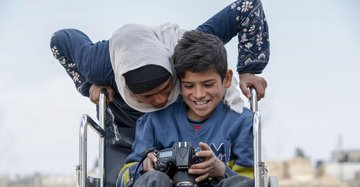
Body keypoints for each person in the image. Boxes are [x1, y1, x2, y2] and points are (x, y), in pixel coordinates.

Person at [50, 0, 269, 146]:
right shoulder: (97, 65)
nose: (160, 100)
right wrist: (89, 86)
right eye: (147, 96)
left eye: (166, 88)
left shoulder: (186, 49)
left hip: (186, 123)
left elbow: (247, 7)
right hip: (130, 126)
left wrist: (249, 70)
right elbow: (60, 40)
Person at [112, 30, 255, 187]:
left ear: (226, 79)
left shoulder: (241, 121)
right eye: (189, 86)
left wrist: (221, 170)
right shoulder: (155, 119)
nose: (198, 94)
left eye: (207, 84)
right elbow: (122, 180)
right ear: (179, 83)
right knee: (155, 181)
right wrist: (144, 168)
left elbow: (248, 182)